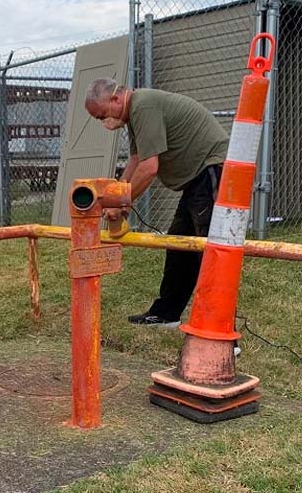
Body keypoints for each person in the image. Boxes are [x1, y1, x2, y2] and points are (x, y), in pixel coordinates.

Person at [84, 78, 228, 329]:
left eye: (101, 116)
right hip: (197, 178)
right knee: (179, 245)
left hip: (211, 169)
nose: (104, 123)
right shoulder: (135, 114)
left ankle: (220, 327)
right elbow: (136, 160)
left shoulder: (143, 106)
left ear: (115, 99)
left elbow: (149, 168)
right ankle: (167, 313)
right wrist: (114, 195)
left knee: (211, 249)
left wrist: (123, 202)